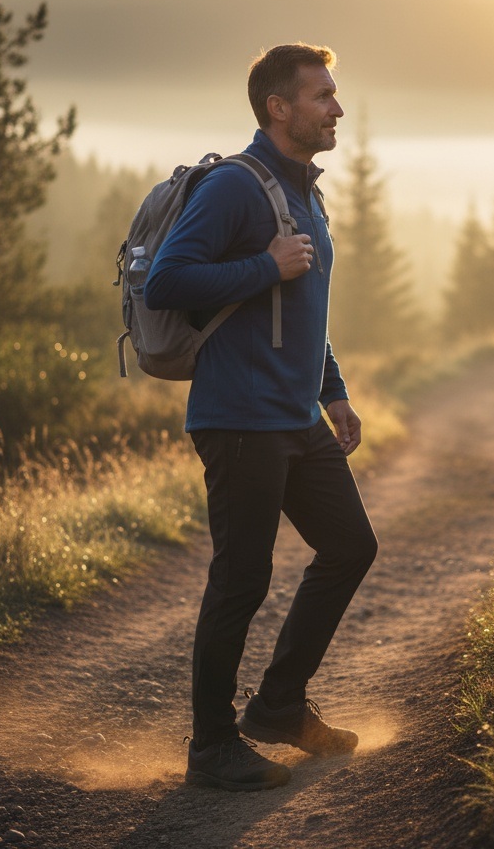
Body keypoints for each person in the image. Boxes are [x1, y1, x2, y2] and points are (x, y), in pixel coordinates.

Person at [144, 43, 378, 792]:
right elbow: (167, 280)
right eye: (323, 96)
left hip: (293, 417)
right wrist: (263, 266)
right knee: (241, 578)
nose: (337, 108)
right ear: (279, 108)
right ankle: (210, 748)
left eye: (335, 95)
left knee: (350, 546)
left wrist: (332, 388)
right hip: (238, 416)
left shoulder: (304, 191)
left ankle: (278, 706)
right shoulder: (237, 188)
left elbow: (303, 305)